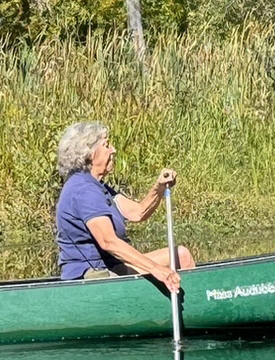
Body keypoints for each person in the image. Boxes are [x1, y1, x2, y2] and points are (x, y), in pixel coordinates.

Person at [53, 121, 195, 289]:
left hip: (113, 266)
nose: (113, 150)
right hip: (93, 273)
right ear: (90, 153)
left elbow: (138, 212)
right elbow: (108, 241)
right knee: (169, 265)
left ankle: (193, 302)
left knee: (181, 255)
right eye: (106, 145)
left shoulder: (97, 186)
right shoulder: (84, 190)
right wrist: (156, 269)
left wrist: (159, 187)